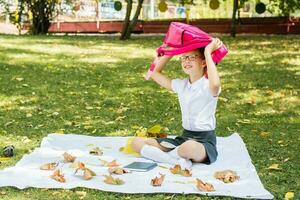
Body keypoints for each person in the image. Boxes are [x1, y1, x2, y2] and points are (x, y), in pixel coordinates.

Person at [131, 38, 223, 169]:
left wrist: (208, 52)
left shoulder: (209, 85)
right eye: (184, 57)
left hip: (203, 141)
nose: (186, 60)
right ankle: (175, 161)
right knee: (136, 142)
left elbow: (215, 84)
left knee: (188, 148)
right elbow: (154, 73)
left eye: (191, 57)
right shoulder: (181, 85)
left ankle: (171, 156)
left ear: (203, 62)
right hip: (183, 138)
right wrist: (172, 51)